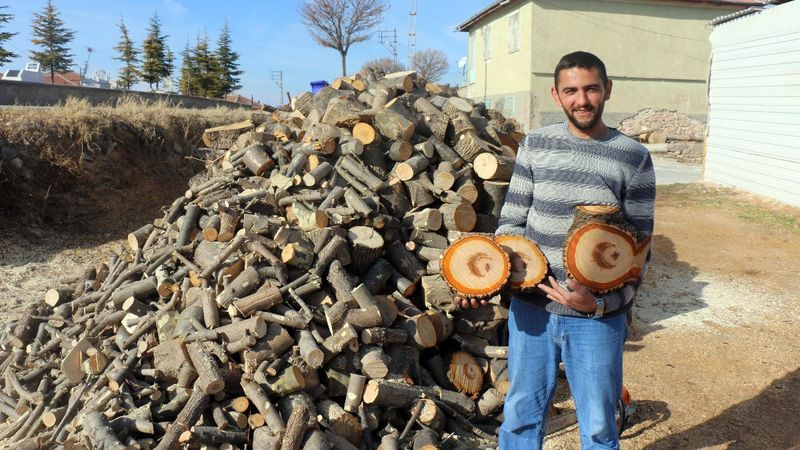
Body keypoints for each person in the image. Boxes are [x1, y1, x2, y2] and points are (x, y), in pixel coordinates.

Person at [459, 51, 655, 449]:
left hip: (596, 320)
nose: (581, 100)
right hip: (531, 310)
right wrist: (486, 278)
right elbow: (511, 223)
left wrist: (599, 304)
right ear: (556, 94)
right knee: (520, 417)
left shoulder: (634, 157)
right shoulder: (536, 144)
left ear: (607, 89)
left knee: (599, 425)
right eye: (571, 91)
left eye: (591, 89)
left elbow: (640, 253)